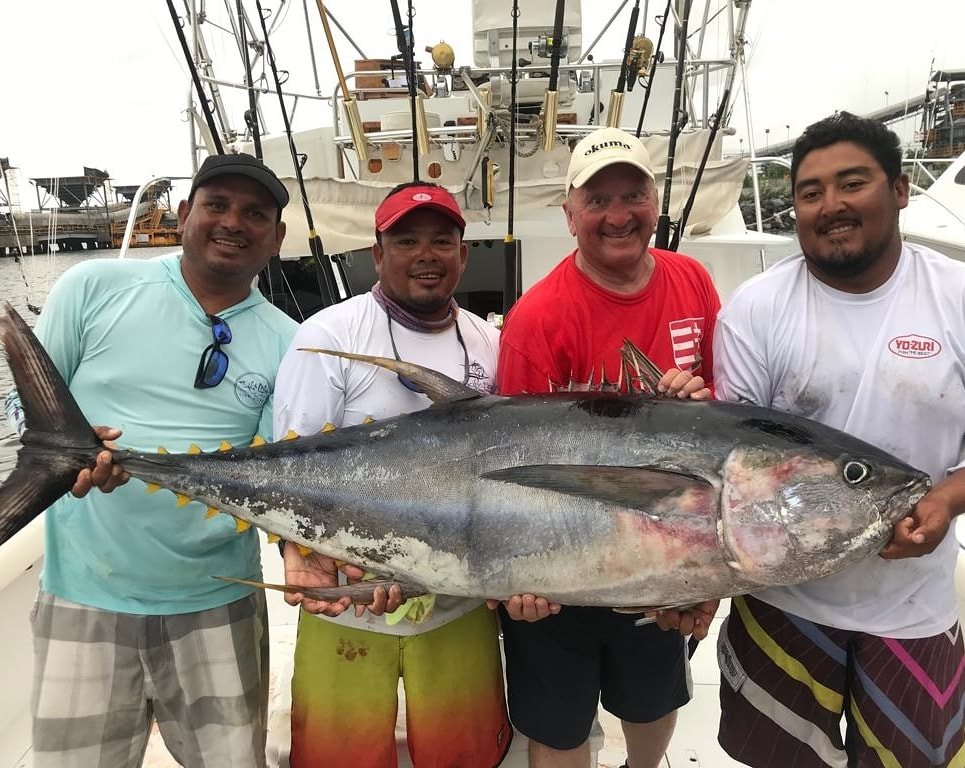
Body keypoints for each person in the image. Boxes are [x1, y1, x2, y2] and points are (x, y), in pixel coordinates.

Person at [9, 152, 297, 767]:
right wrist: (77, 453)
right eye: (216, 204)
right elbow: (24, 414)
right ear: (185, 214)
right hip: (85, 594)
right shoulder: (92, 288)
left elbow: (277, 477)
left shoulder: (287, 340)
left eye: (255, 213)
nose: (233, 222)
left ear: (277, 238)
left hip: (219, 600)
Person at [713, 111, 965, 767]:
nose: (830, 206)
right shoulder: (755, 307)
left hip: (914, 605)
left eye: (851, 183)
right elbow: (730, 466)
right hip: (781, 600)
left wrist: (942, 502)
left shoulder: (955, 295)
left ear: (899, 189)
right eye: (809, 192)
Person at [495, 126, 720, 768]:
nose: (618, 216)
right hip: (562, 565)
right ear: (570, 215)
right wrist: (520, 575)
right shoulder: (538, 320)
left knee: (652, 702)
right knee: (559, 726)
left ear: (656, 201)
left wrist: (697, 404)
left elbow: (724, 415)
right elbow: (516, 471)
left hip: (665, 554)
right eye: (597, 201)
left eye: (633, 195)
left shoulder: (692, 280)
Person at [272, 181, 511, 768]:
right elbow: (290, 470)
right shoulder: (329, 337)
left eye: (441, 240)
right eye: (406, 240)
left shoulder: (490, 341)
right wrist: (297, 552)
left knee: (464, 755)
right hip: (349, 600)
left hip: (458, 604)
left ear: (463, 254)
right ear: (377, 255)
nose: (425, 255)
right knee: (339, 757)